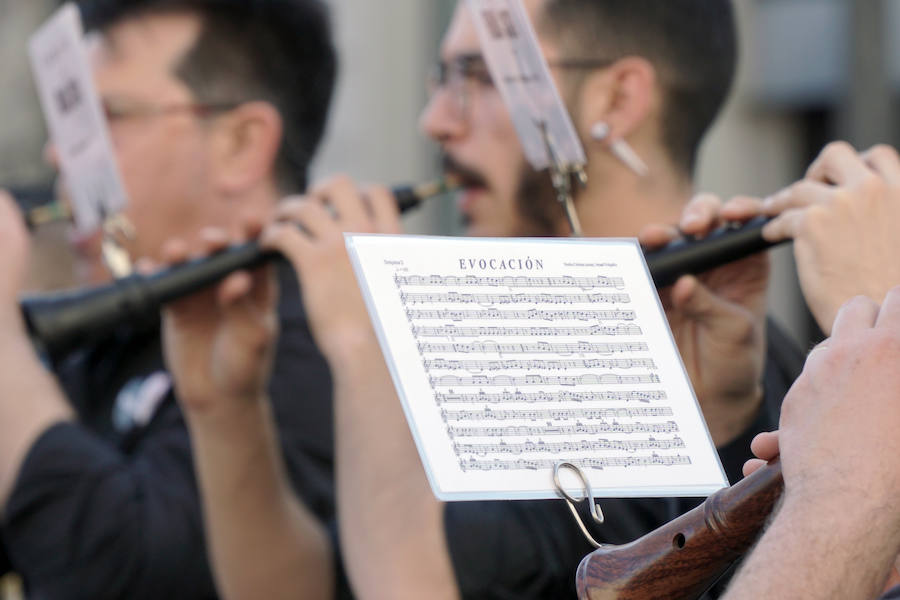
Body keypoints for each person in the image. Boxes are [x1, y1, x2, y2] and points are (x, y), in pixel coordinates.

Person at [160, 1, 805, 597]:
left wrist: (364, 341)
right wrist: (224, 407)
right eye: (441, 78)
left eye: (480, 76)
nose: (437, 119)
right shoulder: (509, 330)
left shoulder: (700, 368)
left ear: (618, 97)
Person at [0, 1, 338, 598]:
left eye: (108, 116)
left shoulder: (316, 336)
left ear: (241, 142)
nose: (60, 154)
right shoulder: (113, 333)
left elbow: (137, 572)